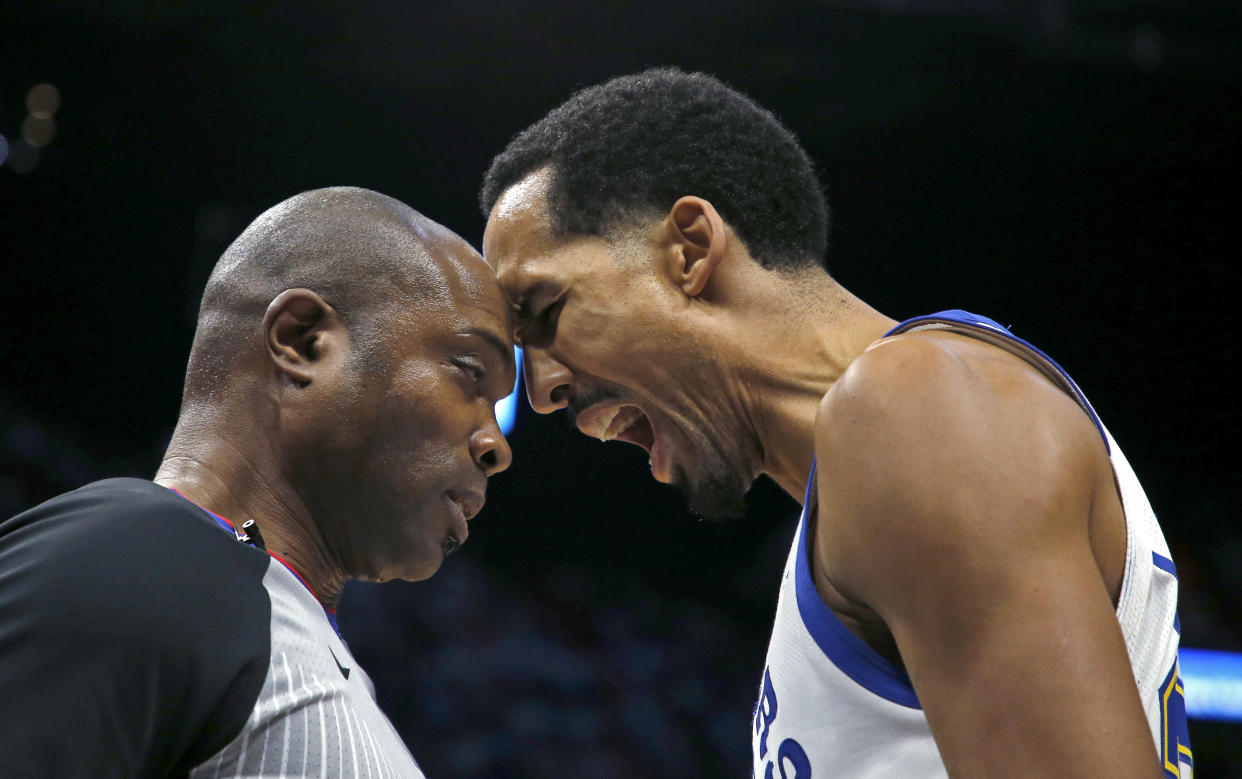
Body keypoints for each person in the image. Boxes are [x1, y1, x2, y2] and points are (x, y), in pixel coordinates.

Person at [479, 68, 1190, 777]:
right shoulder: (875, 470)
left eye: (545, 313)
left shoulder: (920, 410)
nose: (541, 390)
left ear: (690, 249)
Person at [0, 187, 515, 778]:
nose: (496, 445)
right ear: (304, 342)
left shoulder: (270, 622)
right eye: (471, 374)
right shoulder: (141, 557)